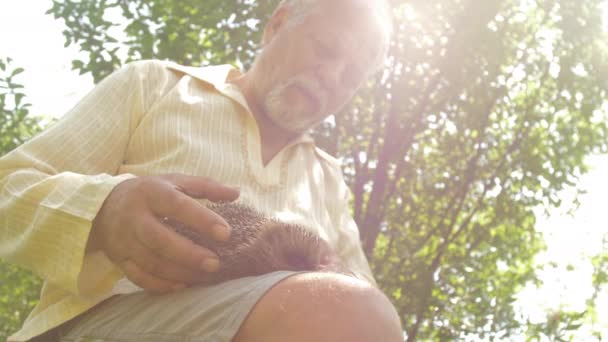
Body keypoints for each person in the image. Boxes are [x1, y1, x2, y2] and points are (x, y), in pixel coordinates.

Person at [0, 0, 403, 340]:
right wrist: (103, 212)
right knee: (334, 313)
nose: (332, 76)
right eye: (325, 48)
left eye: (351, 77)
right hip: (103, 323)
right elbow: (8, 187)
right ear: (277, 24)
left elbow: (371, 309)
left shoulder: (328, 180)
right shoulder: (155, 85)